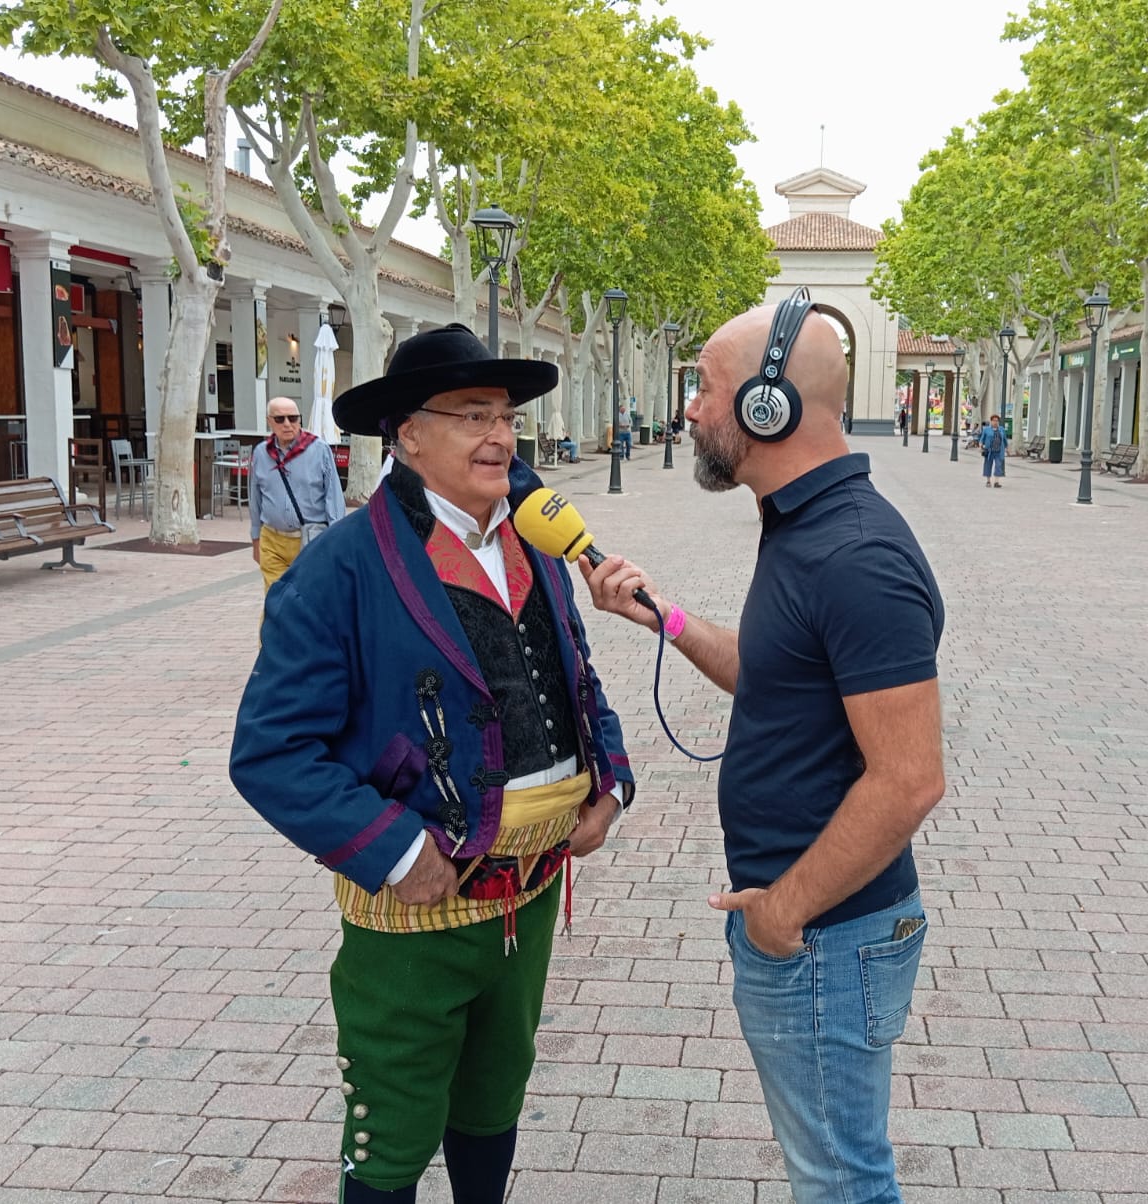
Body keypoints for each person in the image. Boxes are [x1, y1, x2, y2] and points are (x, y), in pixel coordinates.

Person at [229, 324, 636, 1204]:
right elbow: (269, 752)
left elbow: (576, 676)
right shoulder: (338, 568)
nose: (502, 436)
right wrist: (394, 850)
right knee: (394, 1132)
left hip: (530, 896)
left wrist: (611, 778)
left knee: (494, 1102)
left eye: (507, 417)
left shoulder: (538, 547)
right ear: (408, 433)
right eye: (473, 415)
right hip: (413, 920)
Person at [580, 298, 946, 1204]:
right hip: (820, 932)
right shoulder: (802, 527)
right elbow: (770, 673)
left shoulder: (852, 555)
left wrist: (782, 915)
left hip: (825, 935)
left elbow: (909, 780)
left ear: (767, 405)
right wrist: (662, 617)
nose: (692, 410)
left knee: (841, 1180)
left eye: (706, 388)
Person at [248, 397, 345, 590]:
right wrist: (256, 538)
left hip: (311, 541)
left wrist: (337, 541)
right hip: (272, 541)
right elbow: (255, 497)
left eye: (293, 418)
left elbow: (333, 498)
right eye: (280, 419)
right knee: (276, 601)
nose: (287, 424)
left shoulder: (319, 450)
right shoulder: (261, 453)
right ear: (269, 421)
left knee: (309, 599)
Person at [979, 413, 1007, 487]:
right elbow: (982, 439)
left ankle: (996, 482)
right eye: (994, 420)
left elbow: (1004, 439)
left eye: (997, 421)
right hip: (989, 451)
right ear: (991, 421)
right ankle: (988, 481)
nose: (995, 422)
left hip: (999, 451)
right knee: (988, 465)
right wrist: (981, 445)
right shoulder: (986, 430)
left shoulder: (1002, 429)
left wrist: (1007, 448)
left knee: (998, 466)